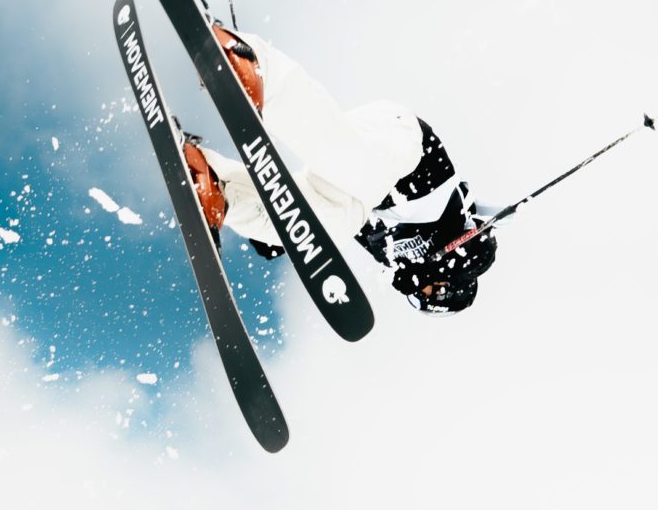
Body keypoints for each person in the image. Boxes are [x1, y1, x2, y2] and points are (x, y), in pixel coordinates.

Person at [178, 22, 499, 314]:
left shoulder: (391, 257)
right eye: (426, 295)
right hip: (406, 149)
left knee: (328, 228)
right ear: (447, 288)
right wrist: (438, 267)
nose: (416, 292)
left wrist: (284, 229)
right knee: (344, 159)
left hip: (365, 190)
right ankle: (256, 66)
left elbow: (330, 223)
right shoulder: (468, 247)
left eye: (416, 299)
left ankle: (219, 189)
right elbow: (481, 250)